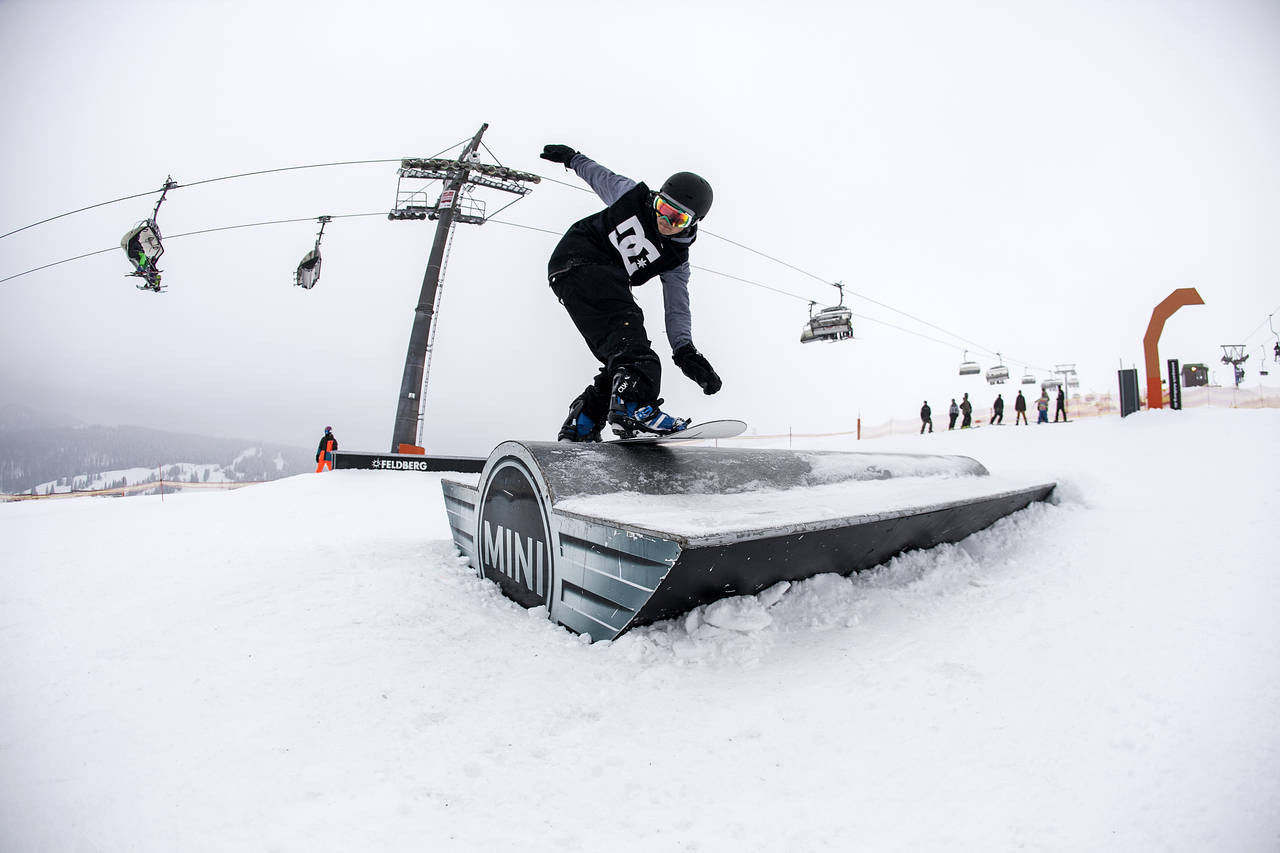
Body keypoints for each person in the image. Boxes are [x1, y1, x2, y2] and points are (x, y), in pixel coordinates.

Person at [540, 144, 721, 440]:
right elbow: (600, 176)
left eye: (678, 219)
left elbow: (677, 308)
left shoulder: (676, 261)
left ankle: (583, 420)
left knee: (621, 353)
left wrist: (685, 351)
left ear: (693, 223)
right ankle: (635, 406)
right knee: (633, 345)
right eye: (663, 208)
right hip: (580, 256)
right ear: (657, 199)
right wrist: (573, 159)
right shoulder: (632, 197)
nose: (665, 221)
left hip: (572, 279)